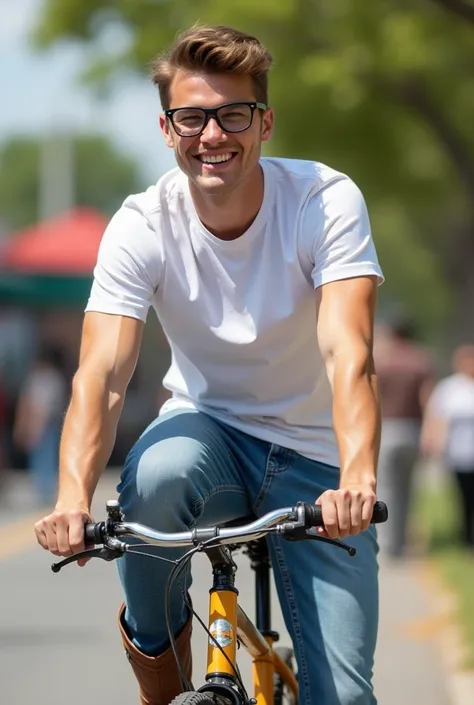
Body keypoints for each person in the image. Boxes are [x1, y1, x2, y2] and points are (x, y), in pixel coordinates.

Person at [34, 24, 384, 705]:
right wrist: (73, 498)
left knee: (344, 693)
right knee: (157, 473)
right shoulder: (142, 223)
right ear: (167, 129)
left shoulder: (323, 200)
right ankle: (164, 686)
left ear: (265, 122)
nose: (213, 135)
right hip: (208, 436)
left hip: (319, 461)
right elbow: (102, 375)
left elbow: (350, 351)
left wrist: (359, 479)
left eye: (233, 115)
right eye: (192, 117)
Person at [374, 316, 435, 557]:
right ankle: (400, 542)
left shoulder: (381, 360)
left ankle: (388, 545)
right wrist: (430, 433)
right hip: (412, 430)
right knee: (408, 489)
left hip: (386, 430)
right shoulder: (421, 361)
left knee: (386, 488)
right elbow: (427, 400)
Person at [421, 344, 474, 549]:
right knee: (464, 494)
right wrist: (431, 439)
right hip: (458, 452)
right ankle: (465, 535)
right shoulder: (449, 388)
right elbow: (435, 416)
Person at [14, 344, 68, 506]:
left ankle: (45, 488)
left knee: (45, 455)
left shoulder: (47, 379)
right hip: (40, 421)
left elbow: (41, 405)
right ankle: (43, 488)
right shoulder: (42, 378)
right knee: (40, 455)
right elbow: (27, 402)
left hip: (46, 422)